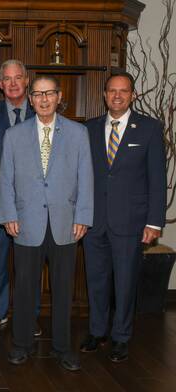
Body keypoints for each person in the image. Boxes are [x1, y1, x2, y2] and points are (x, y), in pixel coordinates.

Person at [0, 75, 93, 372]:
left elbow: (86, 177)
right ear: (30, 98)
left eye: (49, 93)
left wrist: (83, 217)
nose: (43, 99)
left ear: (59, 96)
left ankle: (63, 347)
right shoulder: (14, 135)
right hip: (26, 222)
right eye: (37, 94)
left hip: (66, 223)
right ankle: (22, 344)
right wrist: (9, 214)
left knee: (63, 289)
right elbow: (6, 180)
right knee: (25, 287)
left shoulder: (78, 133)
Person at [81, 72, 166, 362]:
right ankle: (97, 331)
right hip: (93, 221)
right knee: (96, 279)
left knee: (126, 281)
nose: (117, 96)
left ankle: (121, 336)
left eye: (124, 91)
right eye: (112, 91)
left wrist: (154, 222)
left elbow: (157, 178)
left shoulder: (150, 128)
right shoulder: (89, 129)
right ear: (104, 95)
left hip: (131, 222)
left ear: (133, 95)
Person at [0, 60, 38, 335]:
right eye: (8, 79)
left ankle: (29, 316)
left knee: (30, 262)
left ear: (27, 81)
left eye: (19, 78)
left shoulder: (41, 114)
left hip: (34, 202)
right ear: (0, 84)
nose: (14, 83)